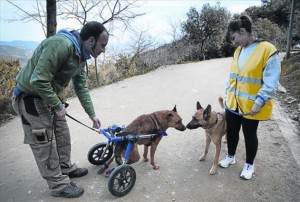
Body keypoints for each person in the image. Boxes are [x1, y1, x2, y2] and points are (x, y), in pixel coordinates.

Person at [11, 21, 109, 198]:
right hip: (29, 99)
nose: (104, 50)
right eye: (103, 45)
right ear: (92, 41)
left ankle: (64, 167)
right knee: (45, 142)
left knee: (62, 132)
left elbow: (81, 88)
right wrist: (57, 105)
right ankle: (57, 184)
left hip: (47, 98)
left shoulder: (80, 55)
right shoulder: (61, 45)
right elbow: (38, 80)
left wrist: (92, 115)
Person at [218, 15, 281, 180]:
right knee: (231, 132)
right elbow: (233, 76)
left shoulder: (268, 49)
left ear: (242, 31)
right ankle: (230, 157)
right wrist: (227, 95)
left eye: (234, 38)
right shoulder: (238, 51)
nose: (233, 43)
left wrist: (259, 102)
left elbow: (271, 82)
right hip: (233, 102)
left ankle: (248, 165)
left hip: (251, 105)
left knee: (249, 134)